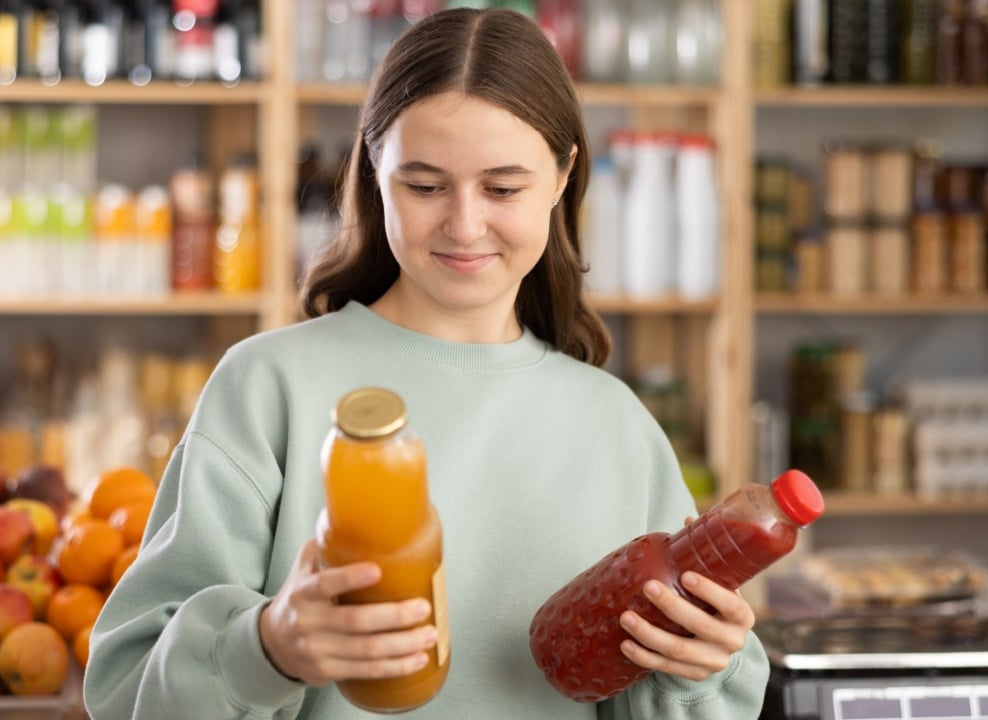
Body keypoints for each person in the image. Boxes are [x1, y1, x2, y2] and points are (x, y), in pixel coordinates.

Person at [83, 8, 767, 719]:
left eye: (503, 188)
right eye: (425, 185)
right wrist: (266, 650)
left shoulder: (615, 426)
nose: (465, 225)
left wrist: (697, 669)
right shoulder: (267, 388)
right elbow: (126, 693)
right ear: (374, 169)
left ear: (563, 176)